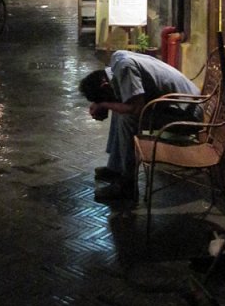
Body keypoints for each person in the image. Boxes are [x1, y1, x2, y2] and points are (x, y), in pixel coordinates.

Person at [79, 50, 201, 202]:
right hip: (181, 105)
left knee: (128, 117)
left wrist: (104, 104)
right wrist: (103, 103)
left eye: (105, 96)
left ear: (104, 85)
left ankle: (127, 186)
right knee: (121, 108)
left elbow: (136, 108)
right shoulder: (117, 58)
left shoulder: (125, 68)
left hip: (189, 114)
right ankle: (116, 168)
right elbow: (125, 98)